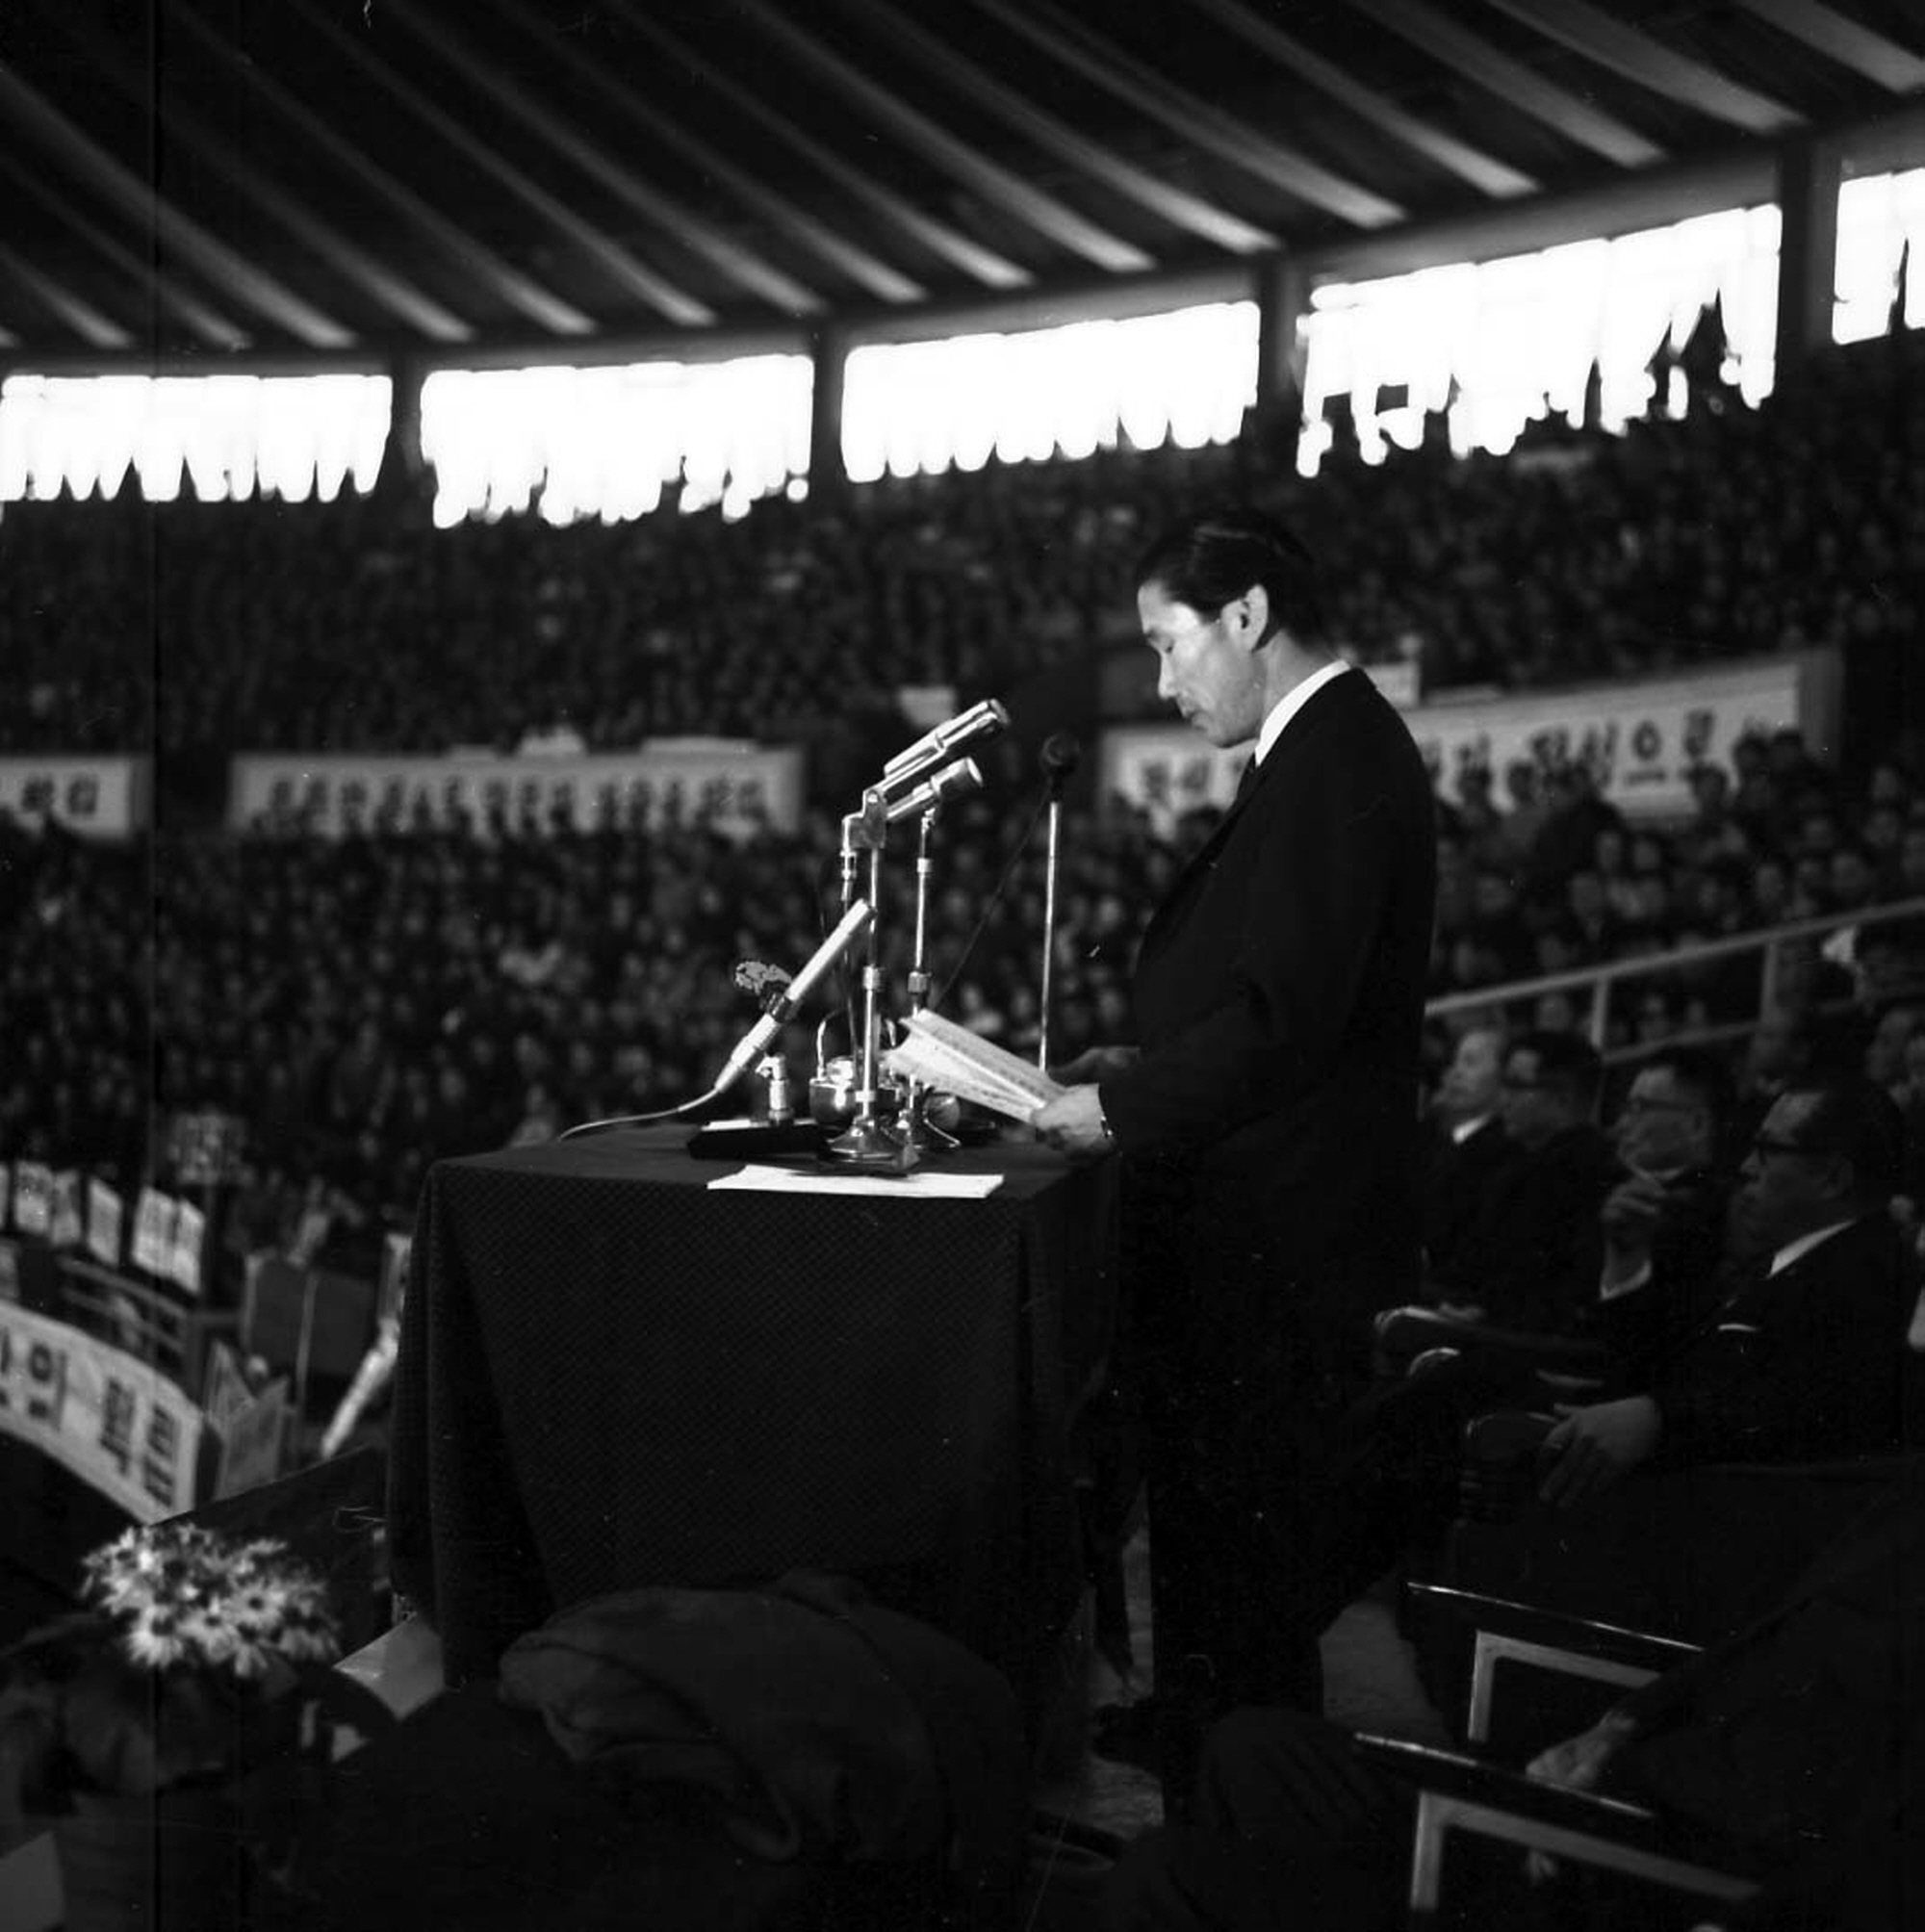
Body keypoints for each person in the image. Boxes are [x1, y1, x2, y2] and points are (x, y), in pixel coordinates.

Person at [1029, 505, 1437, 1810]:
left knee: (1245, 1558)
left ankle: (1243, 1820)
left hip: (1276, 1236)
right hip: (1245, 1219)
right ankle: (1205, 1736)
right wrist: (1135, 1073)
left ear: (1247, 615)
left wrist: (1123, 1115)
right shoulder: (1313, 750)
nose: (1161, 680)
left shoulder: (1339, 754)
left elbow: (1283, 1016)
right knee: (1210, 1543)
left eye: (1168, 642)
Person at [1100, 1480, 1925, 1932]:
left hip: (1646, 1868)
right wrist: (1622, 1723)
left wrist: (1603, 1800)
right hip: (1610, 1807)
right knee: (1259, 1747)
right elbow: (1753, 1644)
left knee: (1166, 1877)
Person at [1425, 1029, 1616, 1331]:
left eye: (1515, 1086)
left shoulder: (1579, 1172)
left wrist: (1486, 1315)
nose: (1503, 1099)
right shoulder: (1518, 1164)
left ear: (1563, 1097)